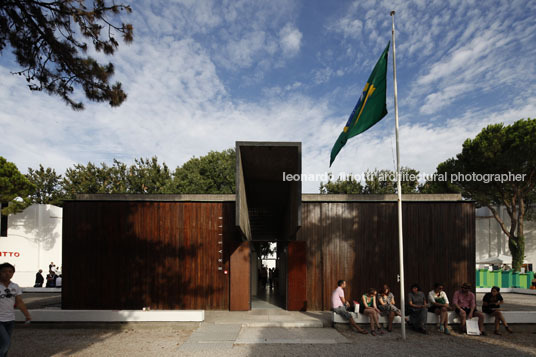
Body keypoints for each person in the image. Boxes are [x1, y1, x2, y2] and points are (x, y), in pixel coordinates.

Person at [0, 262, 31, 356]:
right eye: (4, 271)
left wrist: (27, 315)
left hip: (10, 320)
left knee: (4, 344)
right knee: (6, 343)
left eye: (10, 271)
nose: (7, 273)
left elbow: (19, 302)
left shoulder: (15, 286)